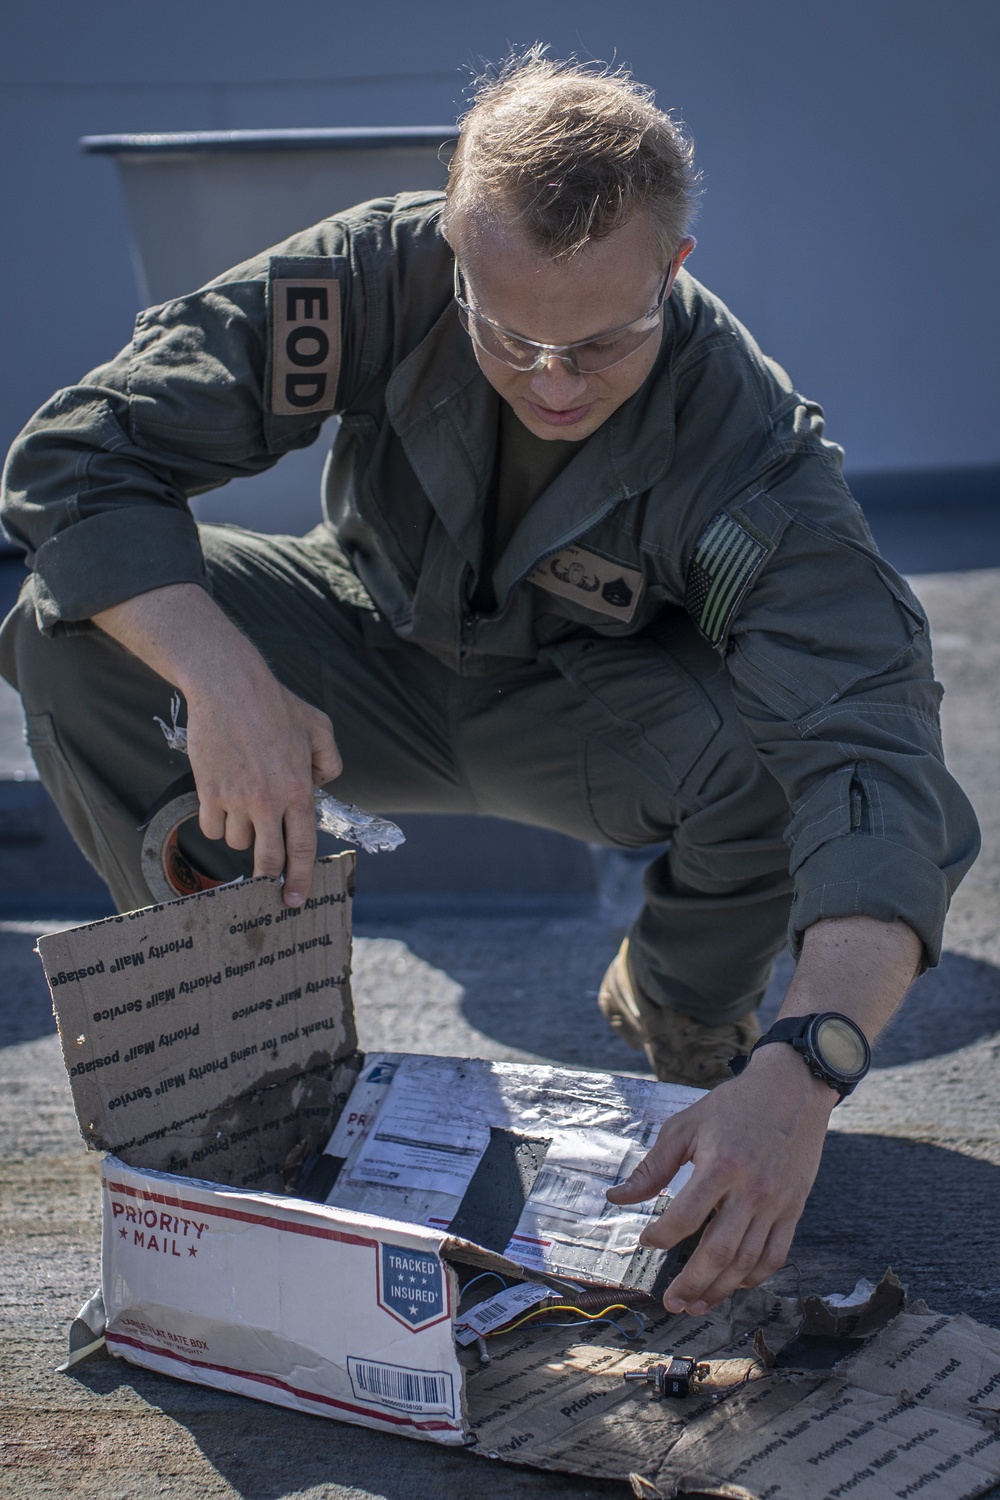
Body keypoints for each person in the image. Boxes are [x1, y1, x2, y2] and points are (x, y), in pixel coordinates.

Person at [0, 51, 979, 1317]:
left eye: (600, 343)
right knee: (68, 622)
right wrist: (225, 680)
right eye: (506, 335)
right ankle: (241, 1034)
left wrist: (803, 1071)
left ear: (673, 272)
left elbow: (874, 769)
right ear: (456, 253)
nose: (552, 381)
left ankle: (693, 1046)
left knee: (780, 765)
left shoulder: (748, 450)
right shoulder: (373, 276)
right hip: (358, 650)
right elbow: (83, 450)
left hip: (582, 716)